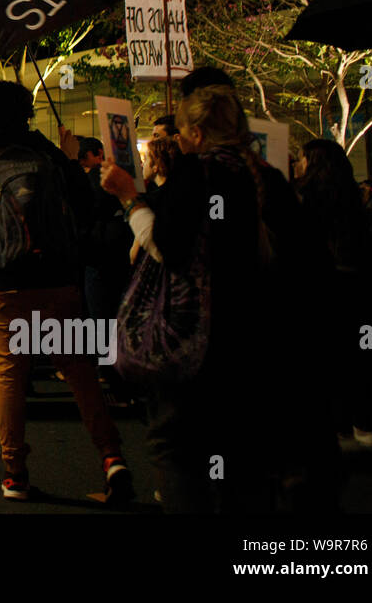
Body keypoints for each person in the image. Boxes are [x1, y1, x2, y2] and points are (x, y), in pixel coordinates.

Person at [102, 83, 337, 511]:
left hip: (196, 345)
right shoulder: (266, 177)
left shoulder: (198, 174)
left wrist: (129, 199)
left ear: (195, 133)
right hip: (256, 345)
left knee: (181, 457)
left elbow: (167, 248)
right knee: (242, 464)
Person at [0, 80, 132, 503]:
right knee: (78, 369)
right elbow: (88, 211)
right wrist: (68, 159)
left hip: (4, 284)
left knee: (10, 374)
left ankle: (15, 472)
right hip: (57, 281)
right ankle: (111, 456)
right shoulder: (51, 158)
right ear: (28, 114)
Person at [296, 139, 372, 448]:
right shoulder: (353, 194)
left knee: (331, 356)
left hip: (326, 288)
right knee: (361, 353)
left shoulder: (307, 196)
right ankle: (363, 423)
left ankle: (340, 426)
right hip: (360, 288)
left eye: (303, 159)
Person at [77, 136, 134, 403]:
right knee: (112, 316)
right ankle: (113, 371)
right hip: (116, 254)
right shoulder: (129, 180)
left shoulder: (97, 182)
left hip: (102, 256)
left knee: (103, 316)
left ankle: (111, 372)